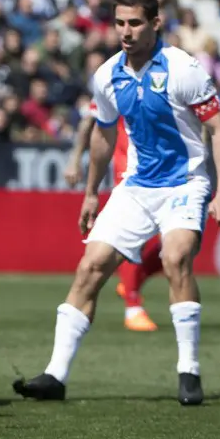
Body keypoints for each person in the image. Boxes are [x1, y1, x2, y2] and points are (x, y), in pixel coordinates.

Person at [14, 0, 220, 406]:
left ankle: (188, 371)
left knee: (175, 257)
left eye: (134, 22)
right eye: (119, 23)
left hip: (185, 183)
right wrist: (90, 194)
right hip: (134, 187)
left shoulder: (183, 69)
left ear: (155, 23)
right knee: (90, 266)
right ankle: (55, 376)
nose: (125, 32)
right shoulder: (107, 74)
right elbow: (103, 133)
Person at [65, 109, 160, 332]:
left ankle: (132, 281)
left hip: (164, 171)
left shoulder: (166, 77)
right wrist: (75, 159)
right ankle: (133, 307)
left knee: (181, 242)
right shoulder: (114, 77)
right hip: (129, 170)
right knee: (130, 239)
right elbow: (89, 120)